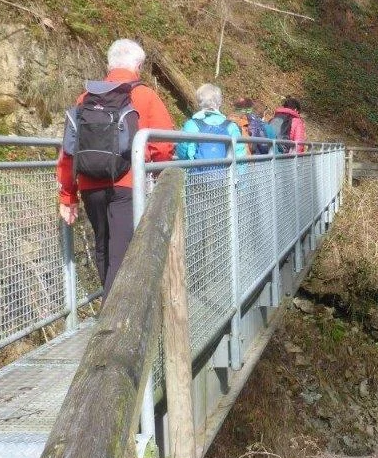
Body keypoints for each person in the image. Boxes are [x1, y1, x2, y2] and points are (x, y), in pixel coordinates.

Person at [57, 39, 175, 298]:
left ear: (109, 64)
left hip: (89, 182)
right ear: (139, 65)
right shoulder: (144, 95)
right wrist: (155, 171)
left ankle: (109, 307)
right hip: (127, 182)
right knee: (122, 250)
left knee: (103, 247)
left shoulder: (86, 97)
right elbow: (164, 145)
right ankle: (113, 322)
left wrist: (68, 195)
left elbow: (68, 149)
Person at [175, 84, 245, 163]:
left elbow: (182, 152)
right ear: (219, 102)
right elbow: (240, 155)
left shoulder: (191, 124)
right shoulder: (231, 126)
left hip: (196, 173)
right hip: (225, 174)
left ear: (199, 102)